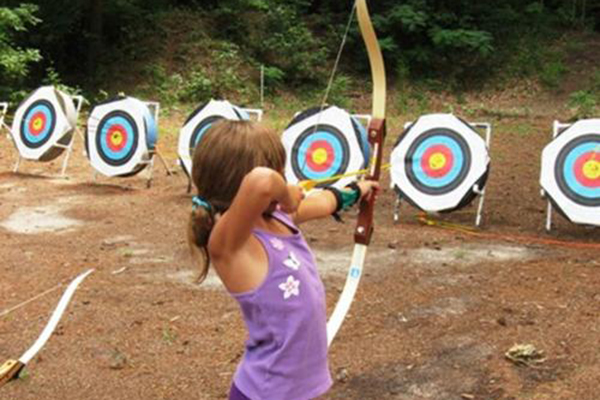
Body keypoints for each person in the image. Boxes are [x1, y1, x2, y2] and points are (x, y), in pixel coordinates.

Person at [187, 120, 379, 400]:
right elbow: (262, 182)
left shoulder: (276, 216)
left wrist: (358, 189)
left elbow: (325, 202)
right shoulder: (229, 244)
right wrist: (287, 194)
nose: (282, 175)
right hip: (263, 392)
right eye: (279, 169)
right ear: (238, 182)